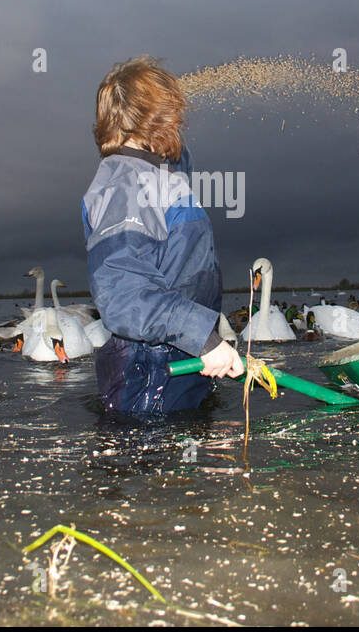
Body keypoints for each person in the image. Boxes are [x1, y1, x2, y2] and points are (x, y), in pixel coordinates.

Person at [82, 56, 244, 417]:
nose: (179, 121)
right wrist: (203, 338)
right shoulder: (124, 187)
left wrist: (201, 340)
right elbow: (124, 295)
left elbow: (177, 162)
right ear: (155, 119)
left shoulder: (156, 174)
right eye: (172, 115)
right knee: (152, 466)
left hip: (181, 353)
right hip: (150, 372)